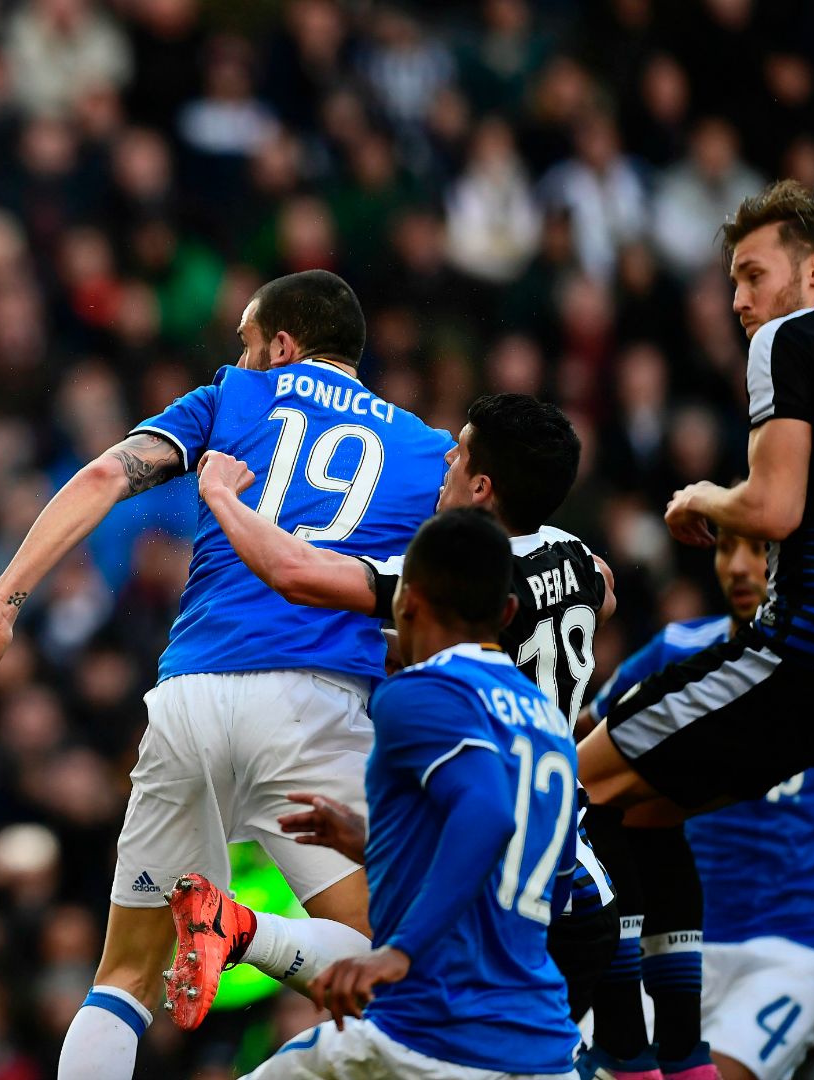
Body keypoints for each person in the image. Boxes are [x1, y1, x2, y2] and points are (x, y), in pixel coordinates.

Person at [0, 270, 452, 1078]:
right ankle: (245, 931)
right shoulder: (426, 451)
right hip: (317, 703)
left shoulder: (235, 397)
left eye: (245, 342)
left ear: (280, 345)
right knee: (396, 961)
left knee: (125, 979)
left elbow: (104, 476)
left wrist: (3, 602)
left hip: (188, 698)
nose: (237, 357)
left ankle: (233, 929)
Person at [190, 394, 631, 1062]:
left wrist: (222, 496)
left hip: (519, 900)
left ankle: (247, 933)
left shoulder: (452, 588)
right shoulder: (574, 558)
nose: (445, 462)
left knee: (409, 1016)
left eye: (458, 452)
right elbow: (605, 586)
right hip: (571, 868)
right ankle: (247, 933)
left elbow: (295, 573)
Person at [577, 180, 814, 1080]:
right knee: (650, 804)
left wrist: (702, 499)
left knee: (580, 795)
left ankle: (626, 1046)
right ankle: (677, 1056)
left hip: (803, 652)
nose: (739, 301)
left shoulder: (789, 340)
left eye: (752, 275)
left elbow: (773, 504)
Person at [244, 508, 582, 1079]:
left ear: (406, 601)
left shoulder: (418, 693)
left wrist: (399, 952)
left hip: (432, 1040)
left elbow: (488, 815)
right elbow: (534, 873)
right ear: (505, 613)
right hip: (542, 1047)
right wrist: (373, 846)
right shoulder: (547, 721)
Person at [586, 529, 814, 1080]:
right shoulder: (675, 651)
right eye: (729, 549)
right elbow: (583, 737)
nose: (744, 568)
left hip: (793, 945)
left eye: (762, 552)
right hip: (672, 935)